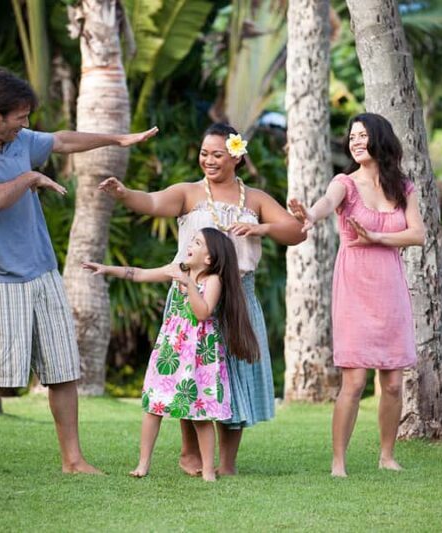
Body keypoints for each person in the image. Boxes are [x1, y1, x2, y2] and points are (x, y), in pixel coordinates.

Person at [0, 68, 157, 479]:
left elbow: (62, 140)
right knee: (0, 373)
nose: (26, 125)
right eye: (20, 117)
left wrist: (117, 139)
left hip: (43, 271)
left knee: (62, 369)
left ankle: (73, 460)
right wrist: (29, 177)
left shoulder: (19, 140)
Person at [98, 123, 304, 475]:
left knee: (234, 376)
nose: (208, 160)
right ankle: (189, 453)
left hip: (239, 298)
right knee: (190, 373)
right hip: (191, 298)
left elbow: (295, 232)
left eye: (217, 154)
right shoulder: (188, 193)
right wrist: (123, 193)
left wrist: (262, 228)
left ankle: (227, 463)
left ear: (236, 157)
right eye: (204, 153)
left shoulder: (253, 198)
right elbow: (149, 202)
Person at [288, 113, 425, 477]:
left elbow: (418, 234)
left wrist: (379, 238)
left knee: (393, 383)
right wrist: (311, 216)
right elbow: (325, 202)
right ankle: (338, 462)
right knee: (355, 381)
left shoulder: (402, 187)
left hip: (390, 288)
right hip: (354, 287)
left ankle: (387, 455)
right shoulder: (344, 183)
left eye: (362, 135)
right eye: (352, 136)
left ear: (379, 139)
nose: (355, 141)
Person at [82, 228, 259, 482]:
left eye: (198, 243)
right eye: (193, 240)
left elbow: (202, 313)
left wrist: (188, 284)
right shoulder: (179, 268)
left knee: (199, 413)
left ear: (209, 259)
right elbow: (140, 274)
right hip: (171, 349)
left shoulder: (213, 280)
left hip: (200, 354)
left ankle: (209, 469)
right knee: (153, 406)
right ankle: (143, 464)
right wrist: (108, 269)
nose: (190, 244)